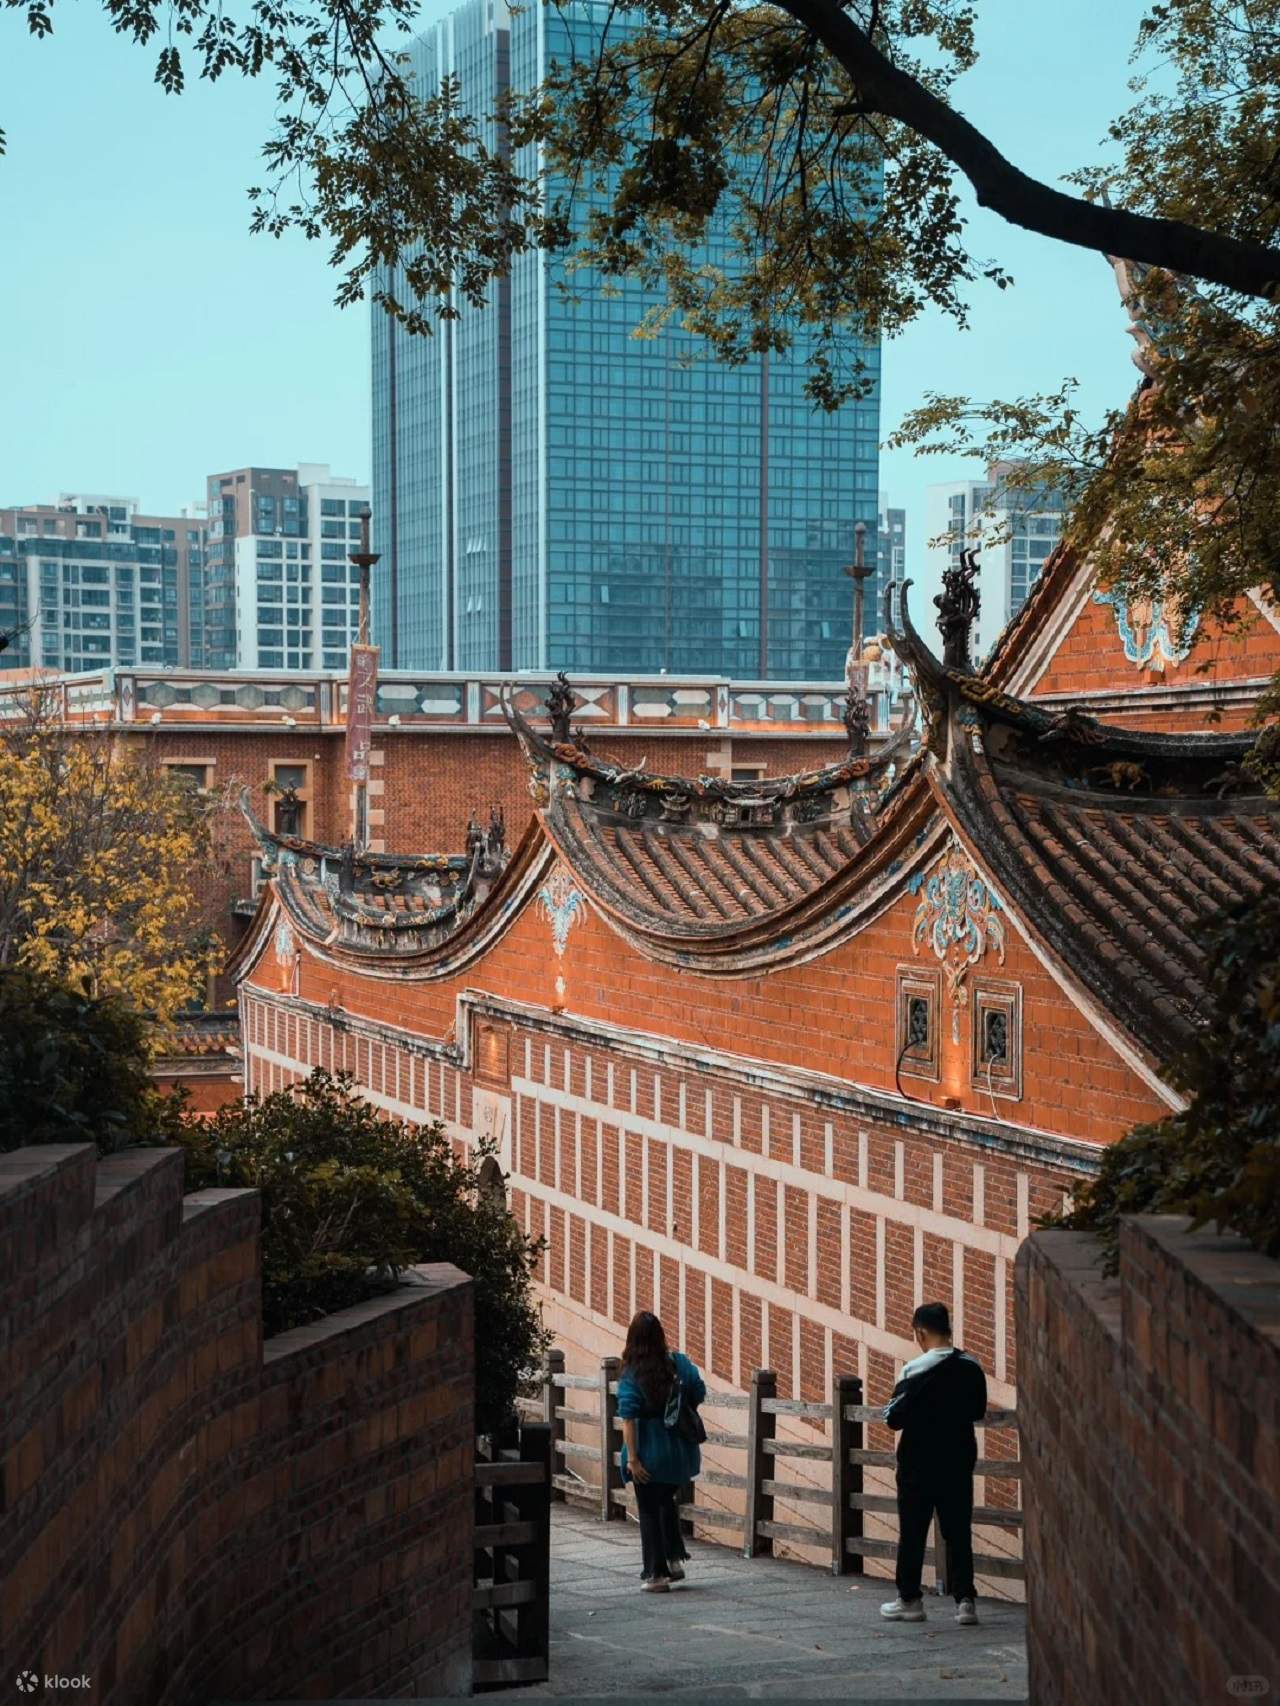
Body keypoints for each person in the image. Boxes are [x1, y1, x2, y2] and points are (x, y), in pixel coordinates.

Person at [879, 1301, 988, 1628]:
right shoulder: (971, 1365)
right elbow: (978, 1410)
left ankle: (909, 1600)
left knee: (912, 1531)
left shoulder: (915, 1370)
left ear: (921, 1333)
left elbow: (892, 1418)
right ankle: (965, 1602)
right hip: (957, 1461)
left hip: (918, 1464)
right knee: (958, 1531)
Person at [617, 1310, 706, 1593]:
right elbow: (698, 1391)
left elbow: (628, 1418)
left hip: (649, 1450)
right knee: (666, 1502)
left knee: (649, 1510)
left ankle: (656, 1574)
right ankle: (674, 1561)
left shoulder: (632, 1373)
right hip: (679, 1451)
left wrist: (632, 1459)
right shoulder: (678, 1363)